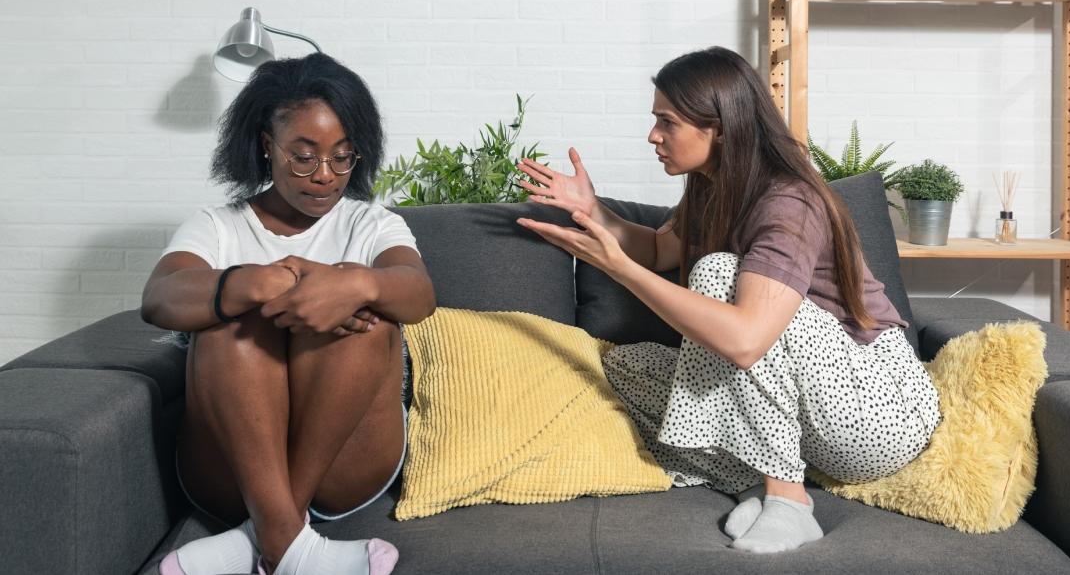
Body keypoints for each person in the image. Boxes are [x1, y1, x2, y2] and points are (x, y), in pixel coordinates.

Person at [516, 46, 940, 554]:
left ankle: (789, 502)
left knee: (717, 274)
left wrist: (616, 268)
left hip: (879, 412)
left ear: (719, 126)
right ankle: (753, 478)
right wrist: (594, 211)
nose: (653, 136)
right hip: (810, 417)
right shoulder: (712, 187)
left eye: (666, 122)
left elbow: (745, 340)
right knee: (629, 365)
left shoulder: (788, 200)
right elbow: (656, 248)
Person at [142, 53, 434, 575]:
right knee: (229, 324)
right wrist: (259, 282)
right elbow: (160, 298)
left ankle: (265, 535)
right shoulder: (218, 226)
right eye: (304, 156)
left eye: (343, 157)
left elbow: (418, 294)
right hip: (228, 472)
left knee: (371, 319)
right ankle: (291, 546)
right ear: (265, 146)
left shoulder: (371, 225)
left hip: (349, 465)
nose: (325, 176)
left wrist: (354, 283)